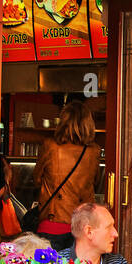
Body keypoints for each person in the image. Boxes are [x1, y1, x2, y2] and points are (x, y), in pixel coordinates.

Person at [32, 101, 102, 251]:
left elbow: (36, 179)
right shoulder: (94, 151)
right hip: (83, 223)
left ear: (63, 122)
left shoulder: (50, 146)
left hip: (52, 222)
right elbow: (95, 181)